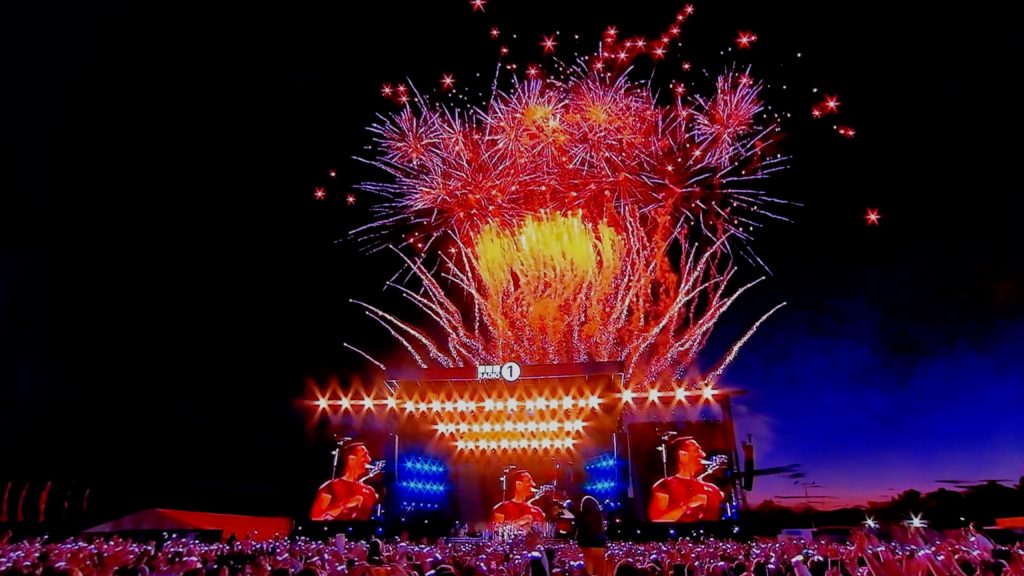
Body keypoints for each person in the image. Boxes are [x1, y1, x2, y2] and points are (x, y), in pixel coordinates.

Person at [647, 436, 723, 522]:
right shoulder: (665, 485)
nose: (703, 454)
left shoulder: (713, 488)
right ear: (682, 455)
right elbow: (657, 520)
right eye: (697, 450)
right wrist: (687, 505)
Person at [310, 441, 380, 521]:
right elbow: (315, 518)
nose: (369, 459)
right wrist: (345, 505)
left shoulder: (370, 491)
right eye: (364, 455)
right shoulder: (330, 487)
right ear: (351, 460)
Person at [575, 495, 607, 576]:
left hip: (586, 546)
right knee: (599, 571)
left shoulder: (581, 515)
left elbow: (579, 531)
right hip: (599, 546)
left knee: (589, 570)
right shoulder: (598, 515)